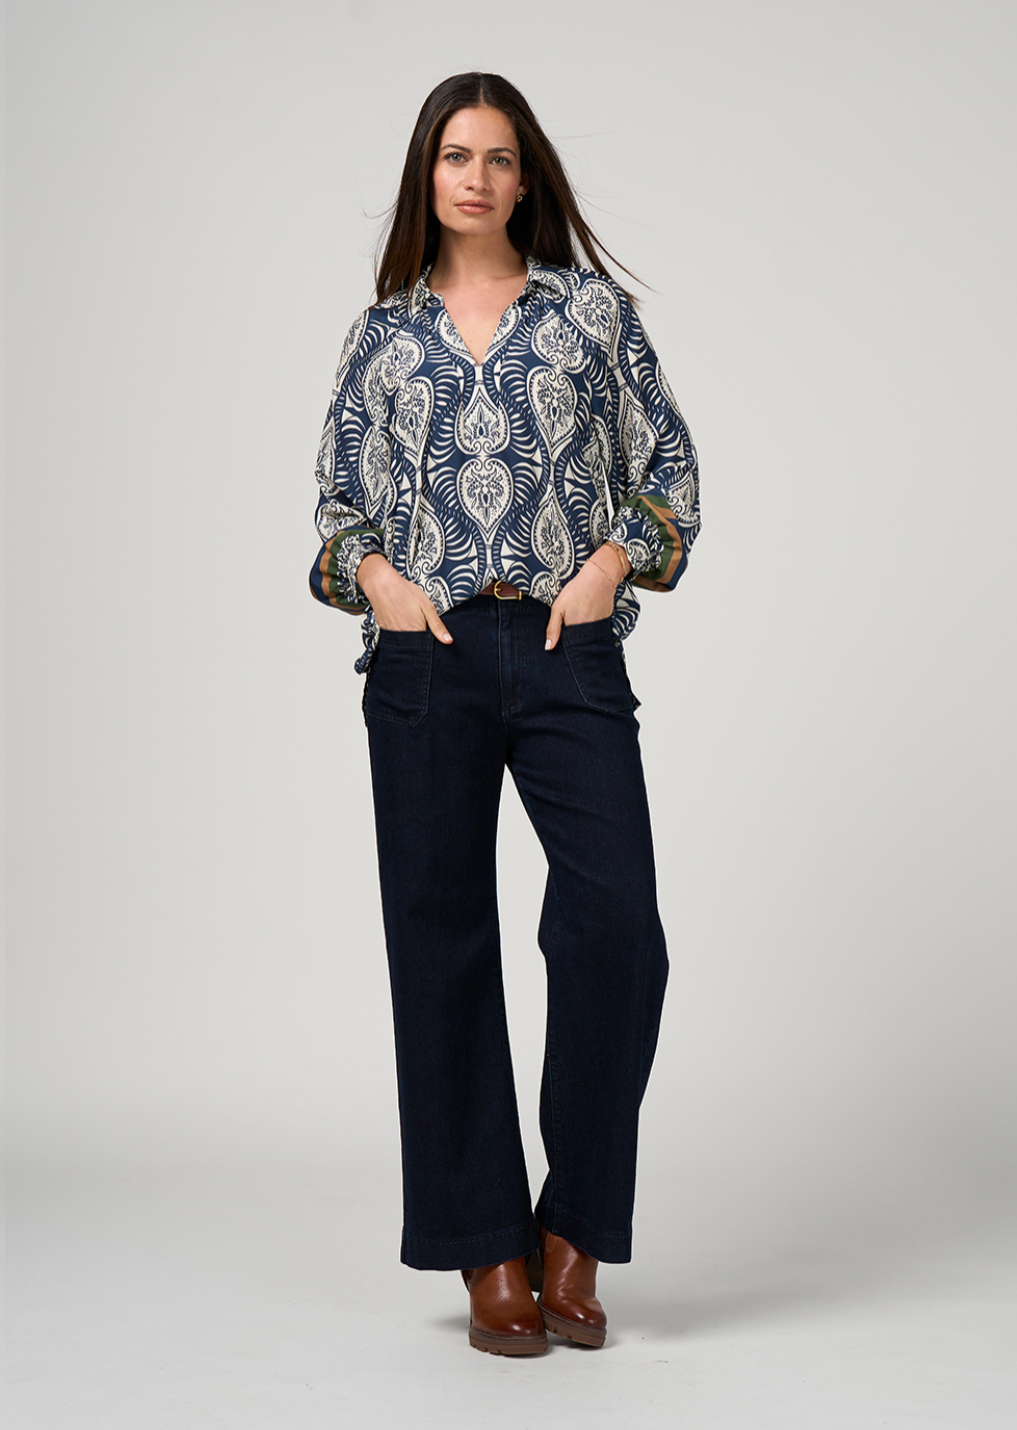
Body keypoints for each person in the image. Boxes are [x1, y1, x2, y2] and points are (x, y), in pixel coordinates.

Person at [309, 72, 700, 1356]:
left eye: (498, 157)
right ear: (427, 176)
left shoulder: (590, 315)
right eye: (454, 155)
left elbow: (672, 471)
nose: (475, 177)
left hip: (561, 644)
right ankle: (487, 1242)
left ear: (527, 178)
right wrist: (378, 579)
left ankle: (573, 1225)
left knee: (617, 927)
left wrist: (609, 566)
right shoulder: (383, 336)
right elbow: (337, 509)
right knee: (440, 944)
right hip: (425, 656)